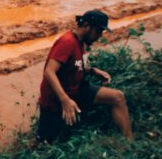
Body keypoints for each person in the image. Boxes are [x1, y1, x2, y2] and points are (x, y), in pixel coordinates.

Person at [35, 11, 133, 143]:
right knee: (45, 144)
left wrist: (92, 70)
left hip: (77, 90)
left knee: (117, 97)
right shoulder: (67, 42)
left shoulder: (81, 42)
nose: (99, 36)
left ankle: (129, 143)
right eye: (98, 31)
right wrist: (65, 100)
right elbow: (49, 72)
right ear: (86, 26)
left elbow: (73, 65)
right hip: (56, 100)